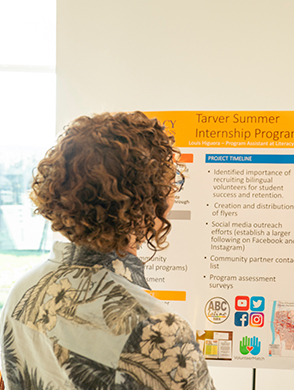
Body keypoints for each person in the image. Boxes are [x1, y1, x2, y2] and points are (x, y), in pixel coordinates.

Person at [0, 112, 215, 390]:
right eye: (170, 183)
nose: (173, 192)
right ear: (145, 200)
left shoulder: (22, 292)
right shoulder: (157, 330)